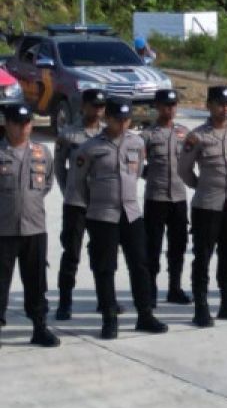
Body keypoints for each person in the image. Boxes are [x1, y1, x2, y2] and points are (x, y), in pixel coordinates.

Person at [76, 97, 167, 339]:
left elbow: (135, 174)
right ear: (107, 118)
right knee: (105, 268)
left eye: (128, 119)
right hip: (102, 215)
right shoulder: (90, 148)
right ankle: (109, 318)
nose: (124, 124)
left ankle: (145, 315)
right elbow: (78, 184)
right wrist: (94, 205)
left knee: (140, 265)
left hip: (130, 213)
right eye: (119, 120)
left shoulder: (136, 142)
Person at [179, 85, 227, 327]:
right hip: (207, 206)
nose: (225, 109)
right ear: (208, 105)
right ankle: (201, 306)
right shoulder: (197, 136)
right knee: (202, 257)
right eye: (220, 104)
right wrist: (201, 186)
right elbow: (183, 169)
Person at [0, 103, 60, 348]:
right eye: (18, 123)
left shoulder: (41, 152)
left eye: (27, 123)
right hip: (3, 230)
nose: (24, 128)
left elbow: (46, 184)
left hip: (34, 228)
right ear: (7, 124)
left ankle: (39, 327)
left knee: (36, 281)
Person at [53, 88, 105, 321]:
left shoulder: (108, 134)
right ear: (83, 106)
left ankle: (105, 301)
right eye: (93, 105)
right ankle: (64, 303)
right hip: (76, 202)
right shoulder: (68, 134)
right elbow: (59, 167)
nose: (97, 110)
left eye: (101, 106)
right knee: (71, 253)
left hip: (101, 203)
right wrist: (68, 190)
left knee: (102, 253)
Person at [141, 89, 192, 306]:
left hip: (179, 197)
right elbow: (134, 164)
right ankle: (150, 289)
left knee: (178, 246)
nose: (170, 110)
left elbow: (192, 160)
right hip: (156, 197)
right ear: (157, 107)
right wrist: (149, 175)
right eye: (165, 105)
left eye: (173, 105)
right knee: (152, 246)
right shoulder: (148, 135)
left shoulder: (184, 133)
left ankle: (175, 288)